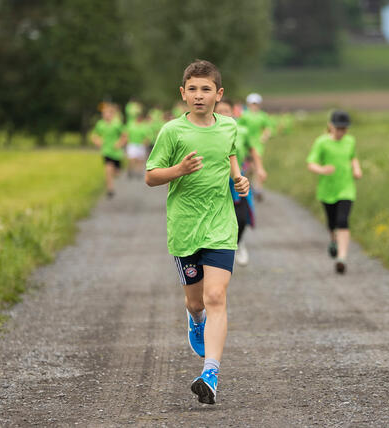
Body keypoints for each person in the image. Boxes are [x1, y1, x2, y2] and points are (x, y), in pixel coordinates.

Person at [145, 60, 249, 405]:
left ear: (219, 94)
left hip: (220, 225)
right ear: (183, 94)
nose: (199, 95)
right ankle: (196, 319)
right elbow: (151, 175)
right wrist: (179, 169)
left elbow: (231, 154)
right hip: (185, 227)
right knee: (196, 301)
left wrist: (239, 178)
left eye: (206, 89)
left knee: (217, 296)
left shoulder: (230, 126)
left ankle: (210, 373)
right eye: (193, 89)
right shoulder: (173, 132)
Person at [306, 110, 362, 274]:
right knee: (332, 222)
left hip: (346, 188)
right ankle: (333, 239)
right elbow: (311, 163)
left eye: (344, 129)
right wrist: (322, 169)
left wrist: (357, 168)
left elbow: (353, 157)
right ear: (331, 127)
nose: (342, 132)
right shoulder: (321, 142)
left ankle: (341, 258)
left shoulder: (350, 141)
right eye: (339, 129)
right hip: (327, 189)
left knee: (343, 220)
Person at [214, 100, 267, 266]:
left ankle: (238, 242)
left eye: (227, 110)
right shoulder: (207, 132)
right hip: (214, 181)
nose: (223, 114)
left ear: (233, 112)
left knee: (242, 217)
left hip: (237, 179)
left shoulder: (241, 131)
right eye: (219, 111)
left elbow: (253, 150)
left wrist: (259, 168)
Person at [238, 93, 272, 201]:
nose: (254, 105)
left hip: (257, 144)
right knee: (247, 167)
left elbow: (268, 128)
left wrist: (265, 136)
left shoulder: (263, 116)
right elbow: (239, 127)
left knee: (257, 165)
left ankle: (258, 189)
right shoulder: (244, 115)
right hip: (245, 144)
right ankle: (248, 185)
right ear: (248, 104)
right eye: (252, 103)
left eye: (255, 103)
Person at [91, 103, 127, 198]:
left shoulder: (117, 124)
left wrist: (119, 143)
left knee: (117, 173)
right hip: (106, 151)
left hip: (116, 152)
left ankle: (116, 172)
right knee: (108, 170)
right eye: (104, 113)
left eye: (107, 113)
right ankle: (110, 189)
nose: (105, 115)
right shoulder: (100, 124)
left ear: (112, 114)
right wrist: (97, 141)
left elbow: (125, 136)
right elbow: (94, 135)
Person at [125, 107, 150, 179]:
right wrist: (127, 140)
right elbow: (126, 133)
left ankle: (138, 173)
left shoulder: (144, 126)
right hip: (132, 144)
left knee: (140, 160)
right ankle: (130, 170)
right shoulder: (131, 124)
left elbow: (147, 136)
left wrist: (145, 142)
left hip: (140, 144)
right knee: (132, 159)